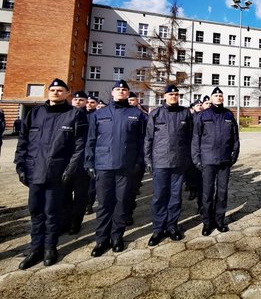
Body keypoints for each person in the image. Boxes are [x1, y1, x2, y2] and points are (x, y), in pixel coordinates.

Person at [14, 78, 88, 269]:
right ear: (48, 92)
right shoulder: (35, 114)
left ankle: (50, 248)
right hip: (34, 172)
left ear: (67, 93)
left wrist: (70, 169)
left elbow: (80, 146)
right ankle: (35, 249)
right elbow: (23, 142)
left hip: (57, 173)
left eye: (60, 90)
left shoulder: (74, 115)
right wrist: (20, 166)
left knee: (52, 212)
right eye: (53, 89)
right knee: (35, 211)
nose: (56, 92)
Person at [85, 80, 147, 257]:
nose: (121, 91)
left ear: (128, 94)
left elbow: (143, 141)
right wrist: (89, 163)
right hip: (103, 166)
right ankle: (101, 240)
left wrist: (139, 162)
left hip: (126, 166)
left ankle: (116, 237)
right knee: (104, 204)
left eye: (124, 90)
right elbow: (90, 141)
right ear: (112, 93)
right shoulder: (99, 114)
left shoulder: (137, 114)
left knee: (122, 203)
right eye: (118, 89)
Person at [144, 84, 192, 246]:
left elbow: (190, 138)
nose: (173, 96)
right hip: (160, 162)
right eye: (171, 94)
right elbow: (148, 139)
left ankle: (172, 226)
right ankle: (158, 228)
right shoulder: (156, 114)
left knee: (175, 197)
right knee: (159, 197)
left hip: (179, 162)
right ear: (164, 96)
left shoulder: (185, 113)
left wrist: (189, 159)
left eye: (176, 94)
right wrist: (148, 160)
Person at [192, 87, 240, 236]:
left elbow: (235, 138)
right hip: (208, 161)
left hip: (224, 160)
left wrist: (234, 155)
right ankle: (207, 223)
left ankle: (219, 221)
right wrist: (196, 159)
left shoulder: (228, 115)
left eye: (221, 95)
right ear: (211, 99)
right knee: (207, 193)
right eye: (216, 95)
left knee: (222, 192)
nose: (219, 97)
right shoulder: (203, 115)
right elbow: (196, 138)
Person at [61, 90, 91, 234]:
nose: (78, 102)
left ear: (86, 102)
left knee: (80, 195)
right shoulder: (65, 116)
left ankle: (76, 221)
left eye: (81, 100)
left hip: (83, 164)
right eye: (75, 100)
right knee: (64, 193)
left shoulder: (92, 117)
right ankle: (65, 220)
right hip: (66, 162)